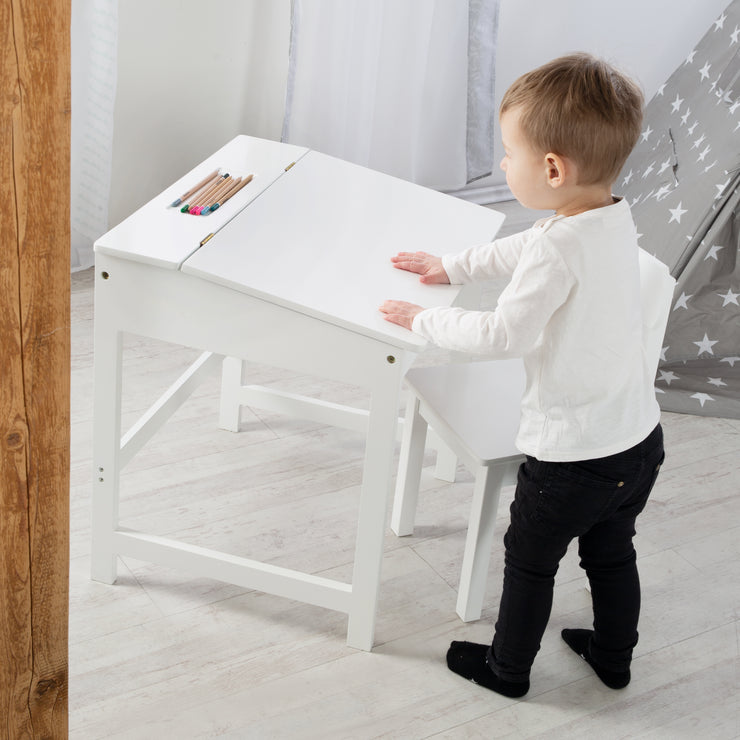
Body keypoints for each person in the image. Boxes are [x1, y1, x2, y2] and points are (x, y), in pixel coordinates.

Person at [380, 53, 665, 698]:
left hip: (571, 459)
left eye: (508, 153)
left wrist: (420, 322)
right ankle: (614, 658)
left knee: (530, 565)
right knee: (612, 552)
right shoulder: (607, 216)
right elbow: (526, 246)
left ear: (553, 169)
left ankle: (508, 671)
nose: (503, 165)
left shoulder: (555, 245)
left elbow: (501, 335)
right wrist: (452, 266)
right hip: (638, 443)